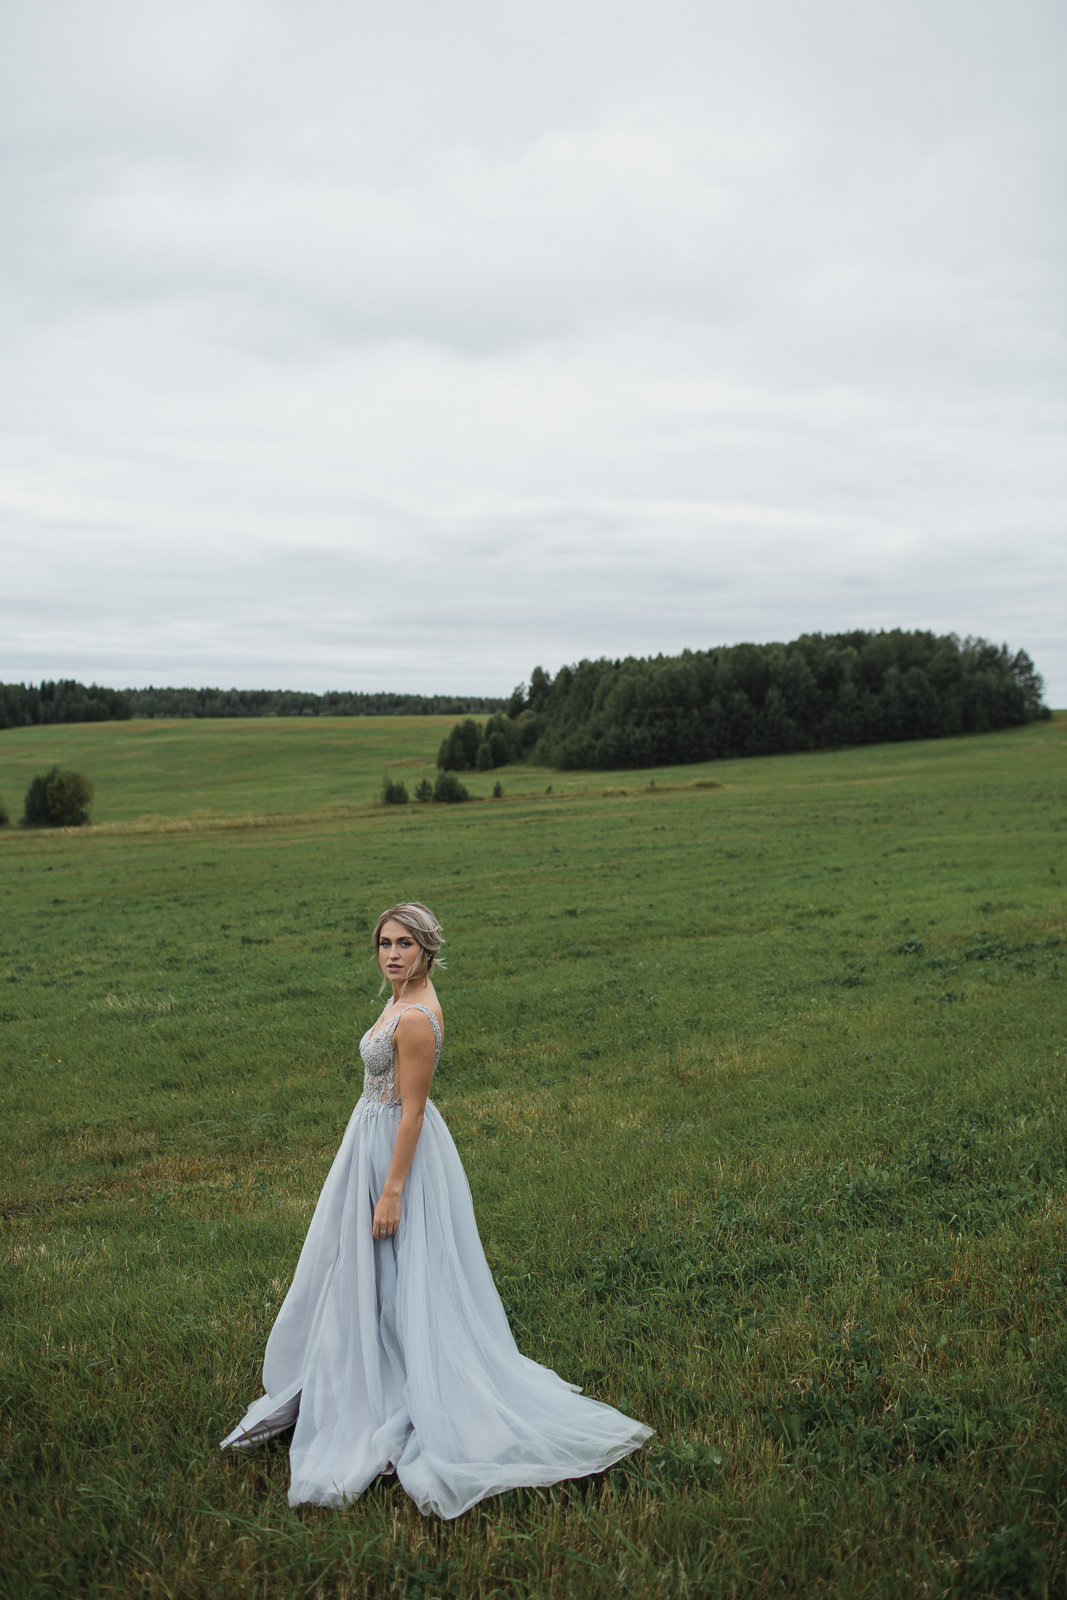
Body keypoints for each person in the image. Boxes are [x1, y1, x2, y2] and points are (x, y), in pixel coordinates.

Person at [220, 901, 652, 1517]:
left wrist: (392, 1189)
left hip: (396, 1154)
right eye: (384, 943)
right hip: (369, 1143)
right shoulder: (399, 997)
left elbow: (414, 1112)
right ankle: (368, 1371)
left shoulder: (417, 1015)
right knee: (367, 1272)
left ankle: (402, 1388)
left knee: (400, 1269)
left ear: (426, 948)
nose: (392, 954)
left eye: (404, 944)